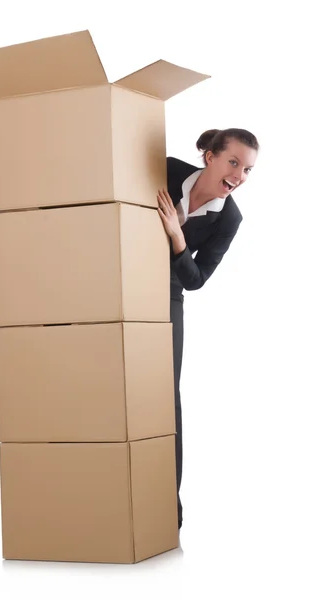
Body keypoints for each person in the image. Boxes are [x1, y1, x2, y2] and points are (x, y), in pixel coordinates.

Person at [157, 128, 259, 529]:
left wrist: (177, 236)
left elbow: (196, 278)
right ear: (209, 156)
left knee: (166, 395)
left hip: (167, 294)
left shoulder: (229, 218)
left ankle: (168, 508)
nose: (239, 176)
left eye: (248, 169)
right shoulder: (164, 171)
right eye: (233, 162)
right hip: (121, 276)